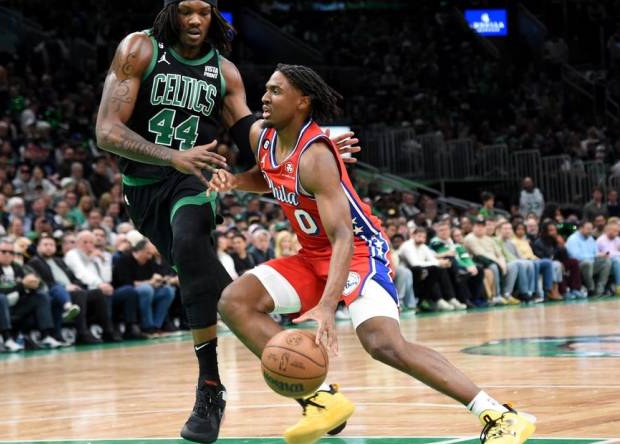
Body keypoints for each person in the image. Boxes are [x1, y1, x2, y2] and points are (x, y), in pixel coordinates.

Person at [208, 64, 535, 444]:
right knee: (235, 302)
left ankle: (497, 414)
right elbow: (268, 175)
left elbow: (343, 236)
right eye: (265, 89)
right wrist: (234, 182)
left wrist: (328, 306)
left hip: (358, 250)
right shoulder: (261, 136)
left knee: (383, 343)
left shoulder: (316, 156)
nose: (264, 97)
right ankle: (320, 401)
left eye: (276, 91)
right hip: (312, 253)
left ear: (302, 101)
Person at [94, 1, 359, 440]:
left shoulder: (225, 72)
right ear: (170, 13)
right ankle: (314, 391)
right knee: (214, 287)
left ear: (215, 16)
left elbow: (253, 134)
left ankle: (210, 388)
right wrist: (171, 156)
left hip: (195, 182)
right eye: (185, 12)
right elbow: (107, 130)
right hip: (144, 189)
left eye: (203, 12)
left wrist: (313, 148)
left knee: (192, 245)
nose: (195, 21)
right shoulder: (139, 49)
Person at [0, 238, 62, 352]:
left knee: (41, 297)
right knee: (0, 298)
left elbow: (39, 283)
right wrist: (22, 285)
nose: (7, 255)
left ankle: (46, 336)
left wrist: (34, 284)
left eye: (11, 252)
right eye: (4, 251)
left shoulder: (17, 267)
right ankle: (7, 339)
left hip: (14, 305)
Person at [26, 235, 105, 345]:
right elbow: (42, 283)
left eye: (51, 245)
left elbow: (73, 278)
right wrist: (65, 286)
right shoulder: (34, 262)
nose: (49, 247)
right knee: (74, 293)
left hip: (71, 290)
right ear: (38, 247)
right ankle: (81, 332)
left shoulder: (59, 260)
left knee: (99, 293)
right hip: (52, 292)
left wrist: (77, 285)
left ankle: (108, 331)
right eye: (45, 245)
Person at [566, 221, 612, 296]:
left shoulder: (590, 238)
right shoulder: (573, 239)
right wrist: (594, 256)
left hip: (592, 263)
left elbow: (596, 252)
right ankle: (591, 289)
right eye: (588, 229)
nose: (590, 231)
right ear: (581, 228)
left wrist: (601, 255)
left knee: (607, 261)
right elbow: (576, 256)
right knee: (587, 263)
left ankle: (600, 290)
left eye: (591, 229)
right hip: (578, 266)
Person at [596, 220, 619, 294]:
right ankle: (619, 285)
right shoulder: (601, 240)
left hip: (616, 260)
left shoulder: (617, 239)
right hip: (606, 263)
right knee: (617, 261)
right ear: (608, 230)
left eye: (618, 231)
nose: (617, 233)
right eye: (615, 231)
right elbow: (598, 253)